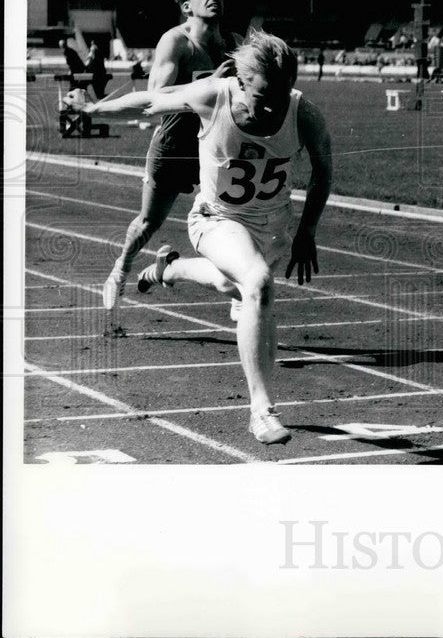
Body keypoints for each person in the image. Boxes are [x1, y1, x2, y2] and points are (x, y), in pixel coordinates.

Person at [66, 30, 334, 445]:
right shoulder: (214, 96)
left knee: (232, 284)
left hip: (273, 228)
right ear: (241, 83)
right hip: (216, 219)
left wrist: (307, 233)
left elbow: (324, 169)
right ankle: (261, 411)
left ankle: (168, 270)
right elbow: (151, 101)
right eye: (262, 98)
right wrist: (95, 108)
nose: (272, 108)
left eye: (281, 96)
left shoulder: (304, 113)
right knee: (257, 283)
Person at [101, 0, 238, 316]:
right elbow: (155, 95)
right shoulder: (176, 42)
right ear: (186, 5)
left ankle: (235, 291)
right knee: (149, 222)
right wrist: (211, 82)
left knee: (232, 220)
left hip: (215, 149)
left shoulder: (235, 44)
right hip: (175, 145)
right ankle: (122, 268)